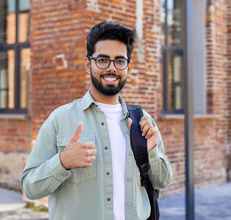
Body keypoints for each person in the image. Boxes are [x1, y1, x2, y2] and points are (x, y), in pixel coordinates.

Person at [21, 22, 172, 220]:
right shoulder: (60, 119)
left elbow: (162, 181)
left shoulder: (143, 120)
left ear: (129, 66)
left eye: (119, 61)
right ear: (88, 64)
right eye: (102, 60)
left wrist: (150, 151)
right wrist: (63, 162)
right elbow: (29, 187)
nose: (111, 68)